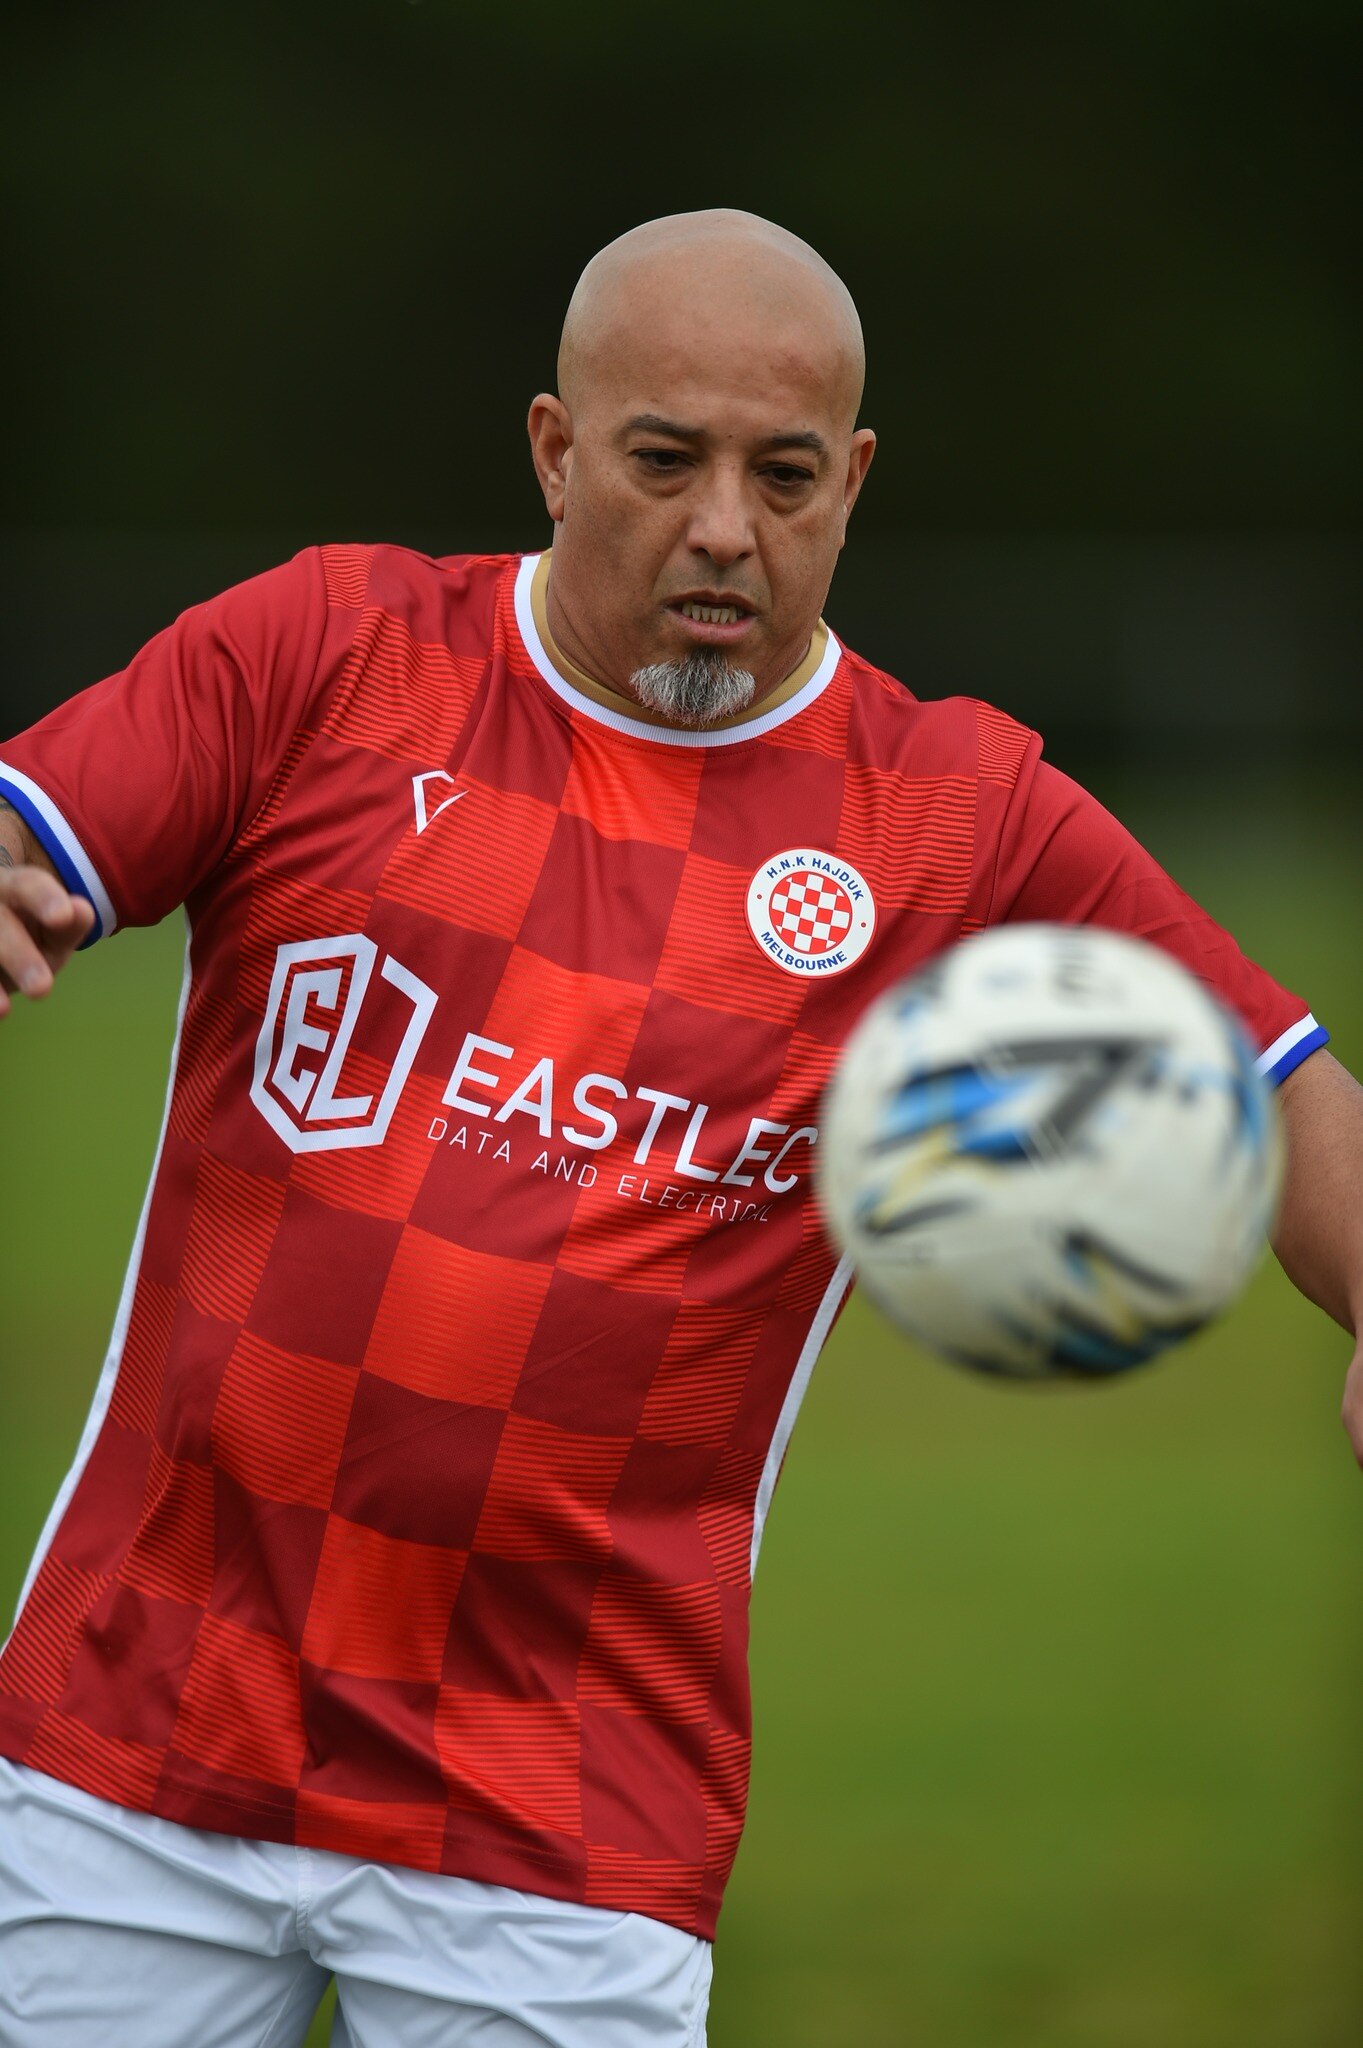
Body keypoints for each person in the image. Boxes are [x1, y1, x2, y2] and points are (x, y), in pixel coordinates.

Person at [0, 208, 1359, 2048]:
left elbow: (1268, 1073)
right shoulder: (333, 653)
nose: (726, 526)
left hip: (561, 1811)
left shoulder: (955, 819)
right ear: (557, 451)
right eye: (666, 461)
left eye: (784, 475)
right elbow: (34, 828)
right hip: (133, 1735)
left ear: (854, 483)